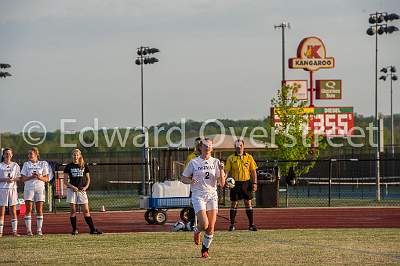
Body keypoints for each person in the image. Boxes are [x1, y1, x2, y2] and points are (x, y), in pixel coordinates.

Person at [181, 138, 226, 258]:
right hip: (198, 195)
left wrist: (221, 171)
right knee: (205, 224)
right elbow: (183, 178)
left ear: (212, 148)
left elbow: (222, 183)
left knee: (211, 227)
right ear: (201, 147)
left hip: (212, 195)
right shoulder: (194, 162)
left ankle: (205, 250)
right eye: (205, 146)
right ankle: (197, 230)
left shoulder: (216, 162)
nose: (208, 148)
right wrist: (190, 180)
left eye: (210, 146)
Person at [64, 149, 102, 235]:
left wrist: (86, 187)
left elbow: (88, 179)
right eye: (74, 155)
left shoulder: (83, 165)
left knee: (86, 210)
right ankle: (75, 230)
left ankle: (92, 230)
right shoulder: (68, 166)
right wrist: (72, 187)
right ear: (72, 156)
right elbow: (65, 181)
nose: (75, 156)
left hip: (81, 191)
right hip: (72, 191)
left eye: (77, 155)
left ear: (80, 156)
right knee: (73, 211)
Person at [225, 139, 258, 231]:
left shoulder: (249, 157)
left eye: (241, 146)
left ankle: (251, 224)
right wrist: (224, 181)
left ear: (243, 146)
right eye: (237, 146)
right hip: (235, 184)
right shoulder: (231, 158)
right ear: (235, 147)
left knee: (248, 203)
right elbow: (226, 171)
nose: (239, 148)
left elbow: (253, 171)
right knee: (234, 204)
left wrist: (255, 183)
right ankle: (232, 225)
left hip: (246, 183)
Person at [20, 147, 49, 236]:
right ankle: (29, 231)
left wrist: (39, 177)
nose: (29, 155)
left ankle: (39, 230)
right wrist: (31, 177)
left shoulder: (43, 163)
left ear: (36, 154)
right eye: (28, 154)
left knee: (39, 209)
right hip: (29, 188)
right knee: (28, 209)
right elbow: (23, 179)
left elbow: (47, 179)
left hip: (40, 188)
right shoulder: (26, 164)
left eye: (31, 154)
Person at [0, 148, 21, 237]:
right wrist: (5, 179)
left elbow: (19, 177)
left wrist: (12, 179)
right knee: (2, 211)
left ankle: (14, 232)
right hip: (2, 189)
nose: (8, 155)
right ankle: (0, 232)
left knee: (13, 211)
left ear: (12, 155)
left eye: (9, 153)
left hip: (12, 189)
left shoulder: (15, 165)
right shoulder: (0, 165)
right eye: (6, 154)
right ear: (3, 155)